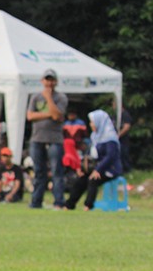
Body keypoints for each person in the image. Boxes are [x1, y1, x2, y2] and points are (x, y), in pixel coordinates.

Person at [26, 68, 68, 209]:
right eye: (47, 79)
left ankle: (58, 201)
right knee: (39, 171)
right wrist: (49, 114)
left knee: (56, 171)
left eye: (52, 80)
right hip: (37, 138)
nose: (49, 83)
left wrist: (49, 98)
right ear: (42, 81)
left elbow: (57, 116)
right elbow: (30, 116)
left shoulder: (61, 97)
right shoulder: (35, 97)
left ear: (56, 82)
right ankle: (36, 201)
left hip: (55, 139)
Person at [65, 110, 123, 211]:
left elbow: (110, 157)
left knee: (93, 180)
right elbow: (90, 155)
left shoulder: (110, 138)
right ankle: (69, 205)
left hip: (110, 169)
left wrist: (98, 170)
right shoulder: (95, 137)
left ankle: (88, 206)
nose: (91, 125)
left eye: (92, 122)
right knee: (81, 180)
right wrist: (82, 168)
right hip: (96, 167)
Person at [117, 105, 133, 173]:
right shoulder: (117, 115)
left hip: (123, 140)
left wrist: (118, 135)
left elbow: (127, 127)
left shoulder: (125, 115)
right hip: (118, 140)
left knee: (124, 155)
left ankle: (128, 171)